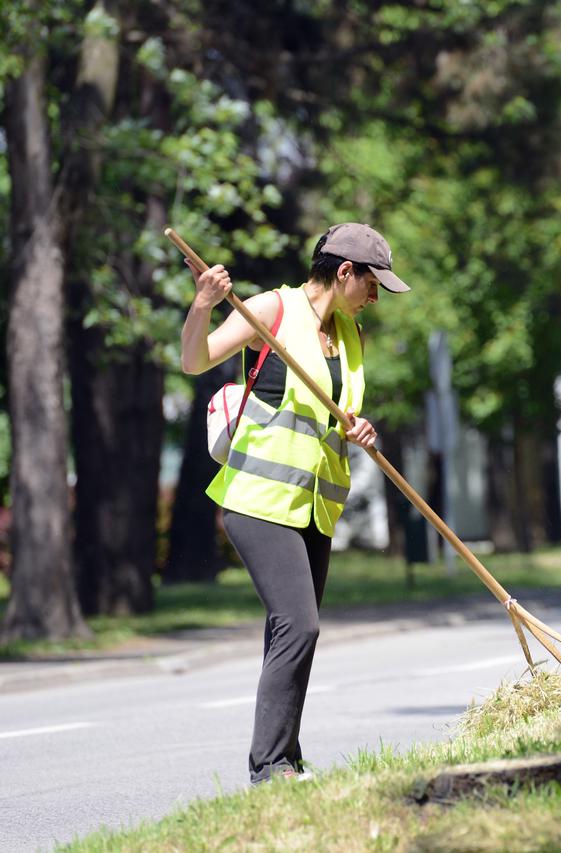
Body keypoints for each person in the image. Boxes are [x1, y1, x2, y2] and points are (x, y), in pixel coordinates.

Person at [180, 223, 411, 783]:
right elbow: (195, 360)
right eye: (373, 283)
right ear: (344, 272)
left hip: (314, 506)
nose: (377, 296)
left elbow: (335, 414)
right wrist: (202, 305)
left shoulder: (349, 335)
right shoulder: (270, 310)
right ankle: (269, 768)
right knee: (299, 626)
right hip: (260, 499)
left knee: (290, 633)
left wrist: (361, 432)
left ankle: (287, 757)